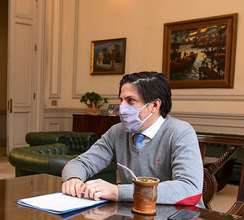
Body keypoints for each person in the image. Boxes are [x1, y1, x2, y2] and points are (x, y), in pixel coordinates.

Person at [62, 71, 204, 207]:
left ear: (154, 105)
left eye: (130, 101)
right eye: (121, 100)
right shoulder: (117, 132)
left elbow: (189, 188)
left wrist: (118, 192)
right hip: (134, 215)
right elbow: (80, 163)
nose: (121, 108)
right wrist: (73, 178)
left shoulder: (181, 132)